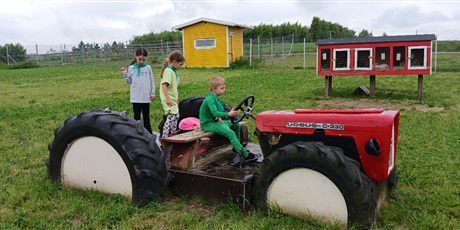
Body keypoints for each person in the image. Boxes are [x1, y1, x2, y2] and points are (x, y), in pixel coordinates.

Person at [199, 76, 260, 167]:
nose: (224, 90)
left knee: (236, 125)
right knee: (230, 133)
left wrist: (227, 115)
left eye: (224, 88)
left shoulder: (216, 98)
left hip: (215, 121)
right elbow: (215, 112)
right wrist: (229, 115)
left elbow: (216, 113)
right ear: (213, 89)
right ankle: (244, 154)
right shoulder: (210, 99)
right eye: (222, 88)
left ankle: (237, 148)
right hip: (208, 124)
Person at [120, 47, 155, 133]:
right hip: (136, 97)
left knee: (146, 117)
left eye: (143, 60)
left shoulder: (148, 68)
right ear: (136, 57)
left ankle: (149, 134)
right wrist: (124, 73)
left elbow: (152, 81)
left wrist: (153, 93)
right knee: (136, 117)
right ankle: (137, 133)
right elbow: (129, 81)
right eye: (140, 59)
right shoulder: (131, 68)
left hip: (146, 97)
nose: (141, 61)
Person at [159, 50, 185, 138]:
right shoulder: (168, 71)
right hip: (168, 98)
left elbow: (173, 87)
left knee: (176, 116)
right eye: (180, 64)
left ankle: (173, 134)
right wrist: (168, 98)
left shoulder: (172, 71)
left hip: (172, 98)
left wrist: (175, 99)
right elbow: (164, 85)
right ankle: (165, 137)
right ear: (174, 62)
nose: (181, 66)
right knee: (170, 118)